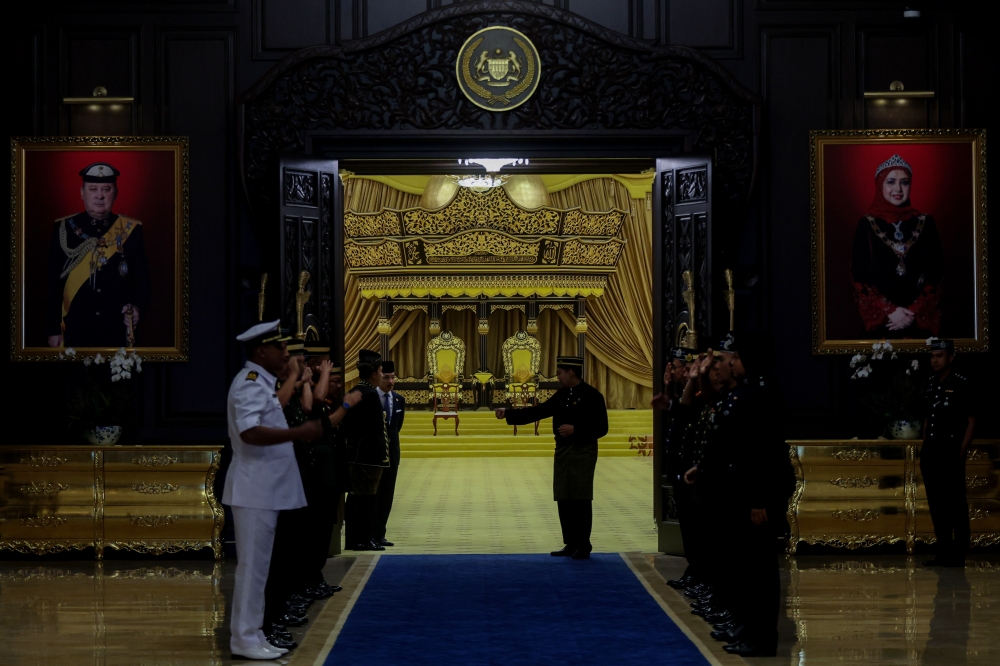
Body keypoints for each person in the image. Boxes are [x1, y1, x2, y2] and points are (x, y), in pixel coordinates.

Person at [223, 320, 323, 661]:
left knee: (259, 568)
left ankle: (253, 633)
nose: (285, 353)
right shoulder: (249, 383)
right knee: (252, 568)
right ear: (260, 351)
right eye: (279, 347)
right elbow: (250, 432)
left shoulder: (261, 383)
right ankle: (244, 638)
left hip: (262, 490)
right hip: (254, 490)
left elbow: (269, 413)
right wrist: (299, 433)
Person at [496, 355, 608, 559]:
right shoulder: (563, 394)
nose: (557, 377)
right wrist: (509, 414)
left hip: (583, 451)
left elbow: (602, 427)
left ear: (571, 372)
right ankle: (570, 542)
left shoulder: (593, 396)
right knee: (563, 496)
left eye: (559, 373)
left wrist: (576, 429)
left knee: (580, 497)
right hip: (563, 450)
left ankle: (583, 544)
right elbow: (540, 411)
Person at [46, 162, 151, 348]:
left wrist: (136, 307)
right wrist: (53, 329)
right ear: (82, 192)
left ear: (115, 193)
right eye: (93, 189)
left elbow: (143, 281)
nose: (100, 196)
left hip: (116, 332)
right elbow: (52, 283)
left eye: (106, 189)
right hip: (75, 330)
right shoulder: (64, 229)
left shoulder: (131, 230)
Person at [850, 154, 944, 338]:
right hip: (884, 326)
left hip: (917, 324)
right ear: (880, 185)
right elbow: (858, 277)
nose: (898, 189)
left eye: (904, 182)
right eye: (891, 182)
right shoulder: (866, 224)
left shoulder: (926, 222)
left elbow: (937, 275)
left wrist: (912, 313)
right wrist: (890, 311)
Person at [921, 338, 976, 568]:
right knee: (937, 502)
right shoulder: (931, 383)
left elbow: (971, 420)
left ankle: (959, 551)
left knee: (955, 502)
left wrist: (961, 450)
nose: (935, 360)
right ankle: (943, 550)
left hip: (951, 451)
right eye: (932, 356)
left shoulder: (962, 383)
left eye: (940, 356)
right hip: (932, 451)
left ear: (951, 358)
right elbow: (927, 417)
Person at [342, 349, 391, 551]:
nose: (382, 375)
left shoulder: (355, 390)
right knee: (366, 501)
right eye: (381, 371)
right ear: (373, 374)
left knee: (356, 499)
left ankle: (355, 539)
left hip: (357, 455)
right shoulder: (370, 395)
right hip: (368, 457)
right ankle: (363, 538)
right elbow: (371, 430)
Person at [375, 360, 405, 547]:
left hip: (392, 455)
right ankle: (369, 533)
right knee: (373, 496)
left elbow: (396, 428)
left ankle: (380, 533)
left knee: (387, 495)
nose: (390, 381)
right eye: (386, 377)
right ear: (378, 377)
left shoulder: (399, 400)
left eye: (393, 377)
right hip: (374, 455)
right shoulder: (370, 398)